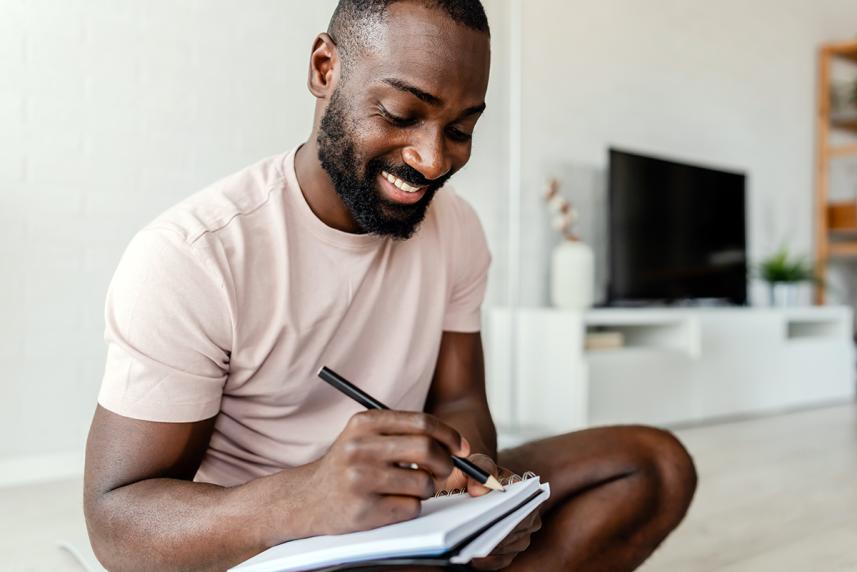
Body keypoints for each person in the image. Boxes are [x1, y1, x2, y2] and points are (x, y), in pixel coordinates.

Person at [83, 1, 697, 570]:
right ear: (325, 68)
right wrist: (306, 500)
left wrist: (476, 498)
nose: (433, 161)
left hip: (409, 513)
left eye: (460, 130)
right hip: (272, 540)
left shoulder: (456, 229)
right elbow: (117, 520)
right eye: (402, 114)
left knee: (654, 467)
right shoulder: (196, 256)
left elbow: (458, 401)